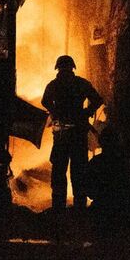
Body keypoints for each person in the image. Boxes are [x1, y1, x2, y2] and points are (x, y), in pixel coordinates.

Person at [41, 55, 103, 211]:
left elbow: (45, 101)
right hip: (77, 134)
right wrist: (86, 112)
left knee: (60, 171)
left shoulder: (54, 85)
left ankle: (59, 207)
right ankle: (79, 207)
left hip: (62, 135)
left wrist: (55, 112)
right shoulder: (81, 84)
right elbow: (97, 99)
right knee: (78, 171)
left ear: (58, 68)